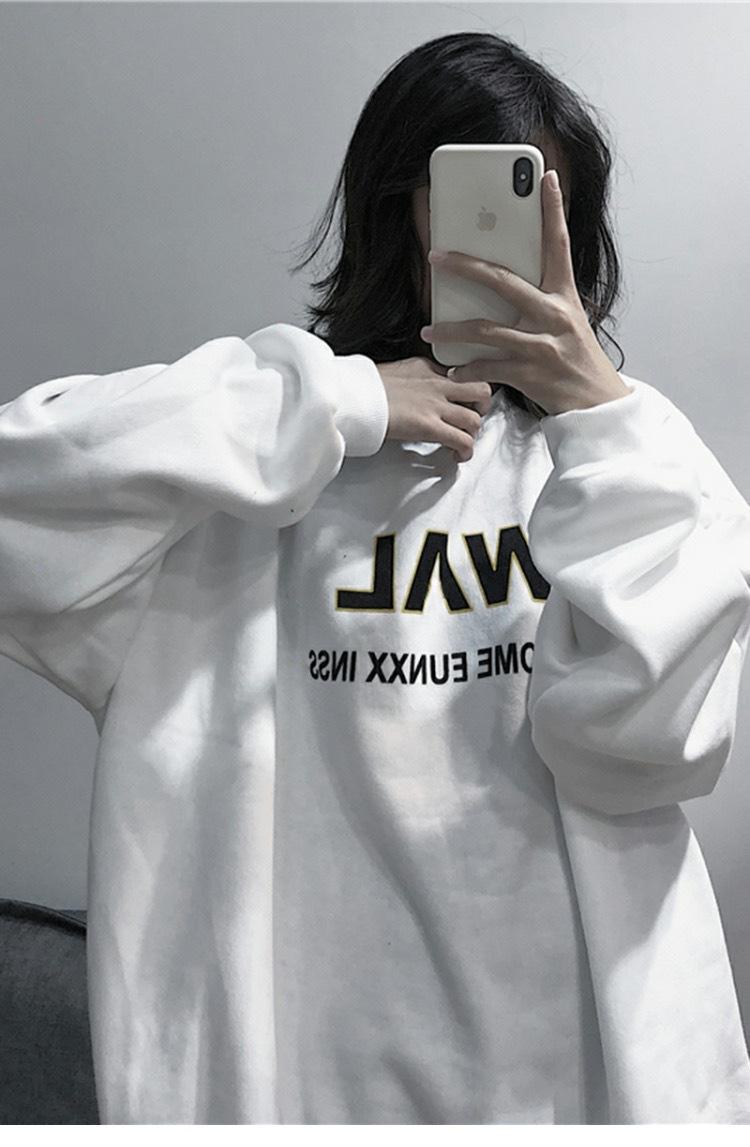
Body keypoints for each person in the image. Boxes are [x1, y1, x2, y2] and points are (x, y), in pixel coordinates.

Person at [1, 29, 749, 1126]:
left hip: (577, 1088)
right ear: (399, 209)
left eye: (543, 212)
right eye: (476, 203)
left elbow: (648, 745)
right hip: (296, 1089)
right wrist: (336, 400)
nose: (509, 252)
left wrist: (607, 421)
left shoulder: (620, 476)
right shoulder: (249, 470)